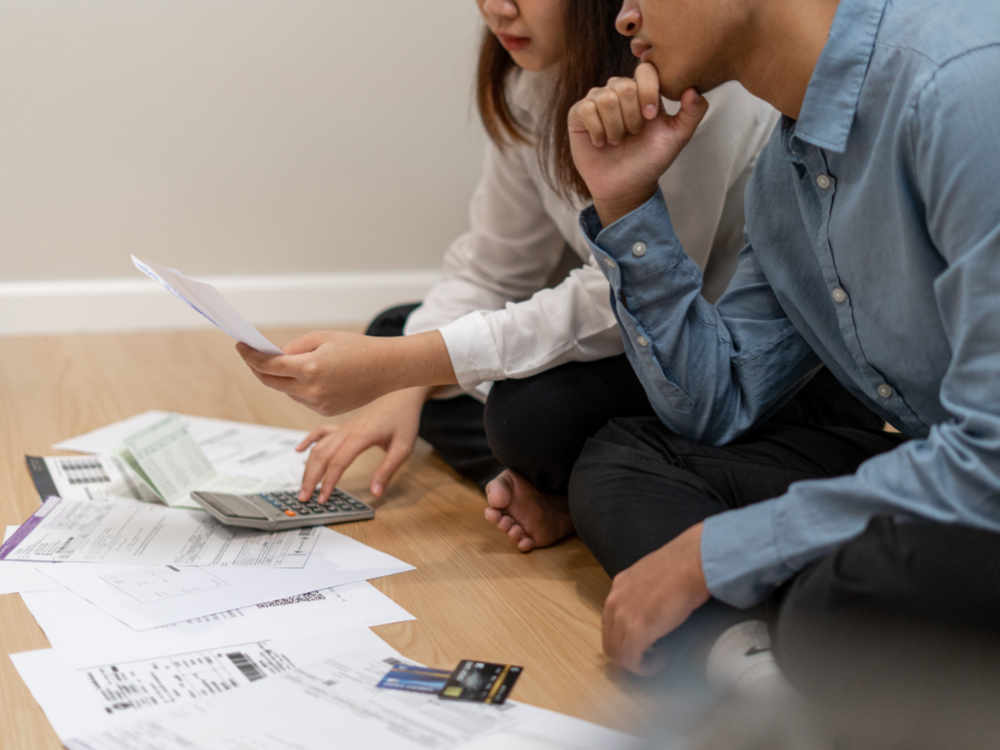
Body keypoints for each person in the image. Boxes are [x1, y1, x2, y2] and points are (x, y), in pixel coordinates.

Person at [555, 0, 1000, 709]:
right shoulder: (786, 171)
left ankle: (789, 649)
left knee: (852, 594)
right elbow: (718, 404)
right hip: (957, 479)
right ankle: (762, 673)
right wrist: (627, 202)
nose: (623, 17)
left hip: (984, 474)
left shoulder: (962, 81)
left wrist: (715, 554)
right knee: (627, 459)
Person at [259, 0, 790, 551]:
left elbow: (626, 303)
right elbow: (493, 266)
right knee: (396, 328)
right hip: (627, 337)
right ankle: (536, 487)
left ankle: (556, 485)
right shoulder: (530, 81)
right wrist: (405, 384)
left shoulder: (686, 87)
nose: (496, 9)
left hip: (698, 356)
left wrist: (404, 367)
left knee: (528, 418)